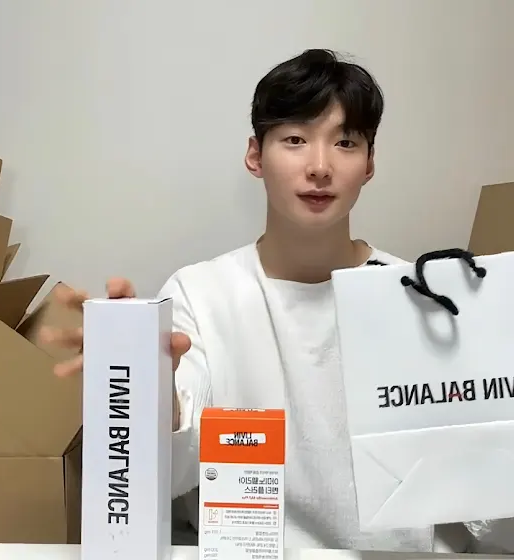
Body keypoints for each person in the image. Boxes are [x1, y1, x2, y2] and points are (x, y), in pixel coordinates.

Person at [41, 49, 502, 553]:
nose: (320, 167)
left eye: (346, 142)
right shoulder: (202, 293)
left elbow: (486, 503)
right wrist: (137, 382)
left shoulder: (426, 300)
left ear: (369, 163)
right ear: (255, 156)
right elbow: (169, 471)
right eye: (295, 140)